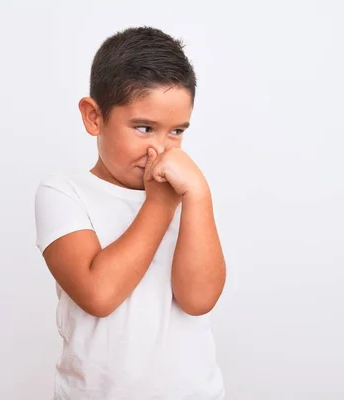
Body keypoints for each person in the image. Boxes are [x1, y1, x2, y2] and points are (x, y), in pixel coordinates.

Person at [34, 26, 226, 399]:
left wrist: (199, 196)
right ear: (94, 117)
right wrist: (159, 204)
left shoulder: (187, 192)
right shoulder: (63, 193)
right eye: (144, 128)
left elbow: (198, 300)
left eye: (176, 132)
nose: (160, 149)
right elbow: (99, 295)